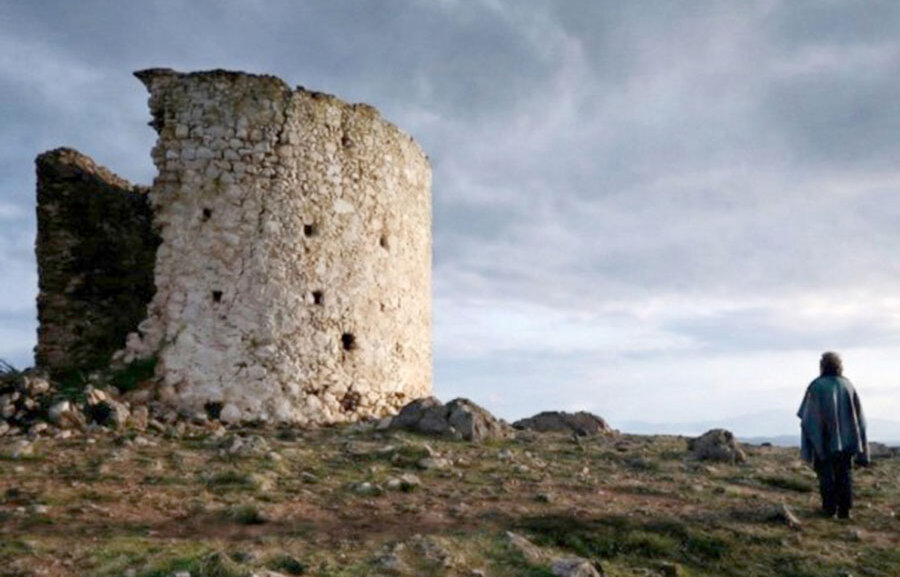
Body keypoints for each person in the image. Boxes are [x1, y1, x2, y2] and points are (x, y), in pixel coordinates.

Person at [797, 352, 869, 519]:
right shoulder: (847, 385)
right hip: (847, 440)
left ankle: (829, 509)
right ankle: (845, 510)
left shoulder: (816, 386)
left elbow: (807, 418)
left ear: (823, 366)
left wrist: (811, 442)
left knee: (825, 474)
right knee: (845, 473)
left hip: (824, 440)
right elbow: (860, 418)